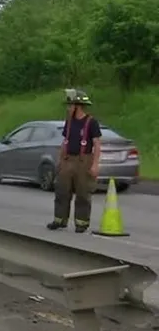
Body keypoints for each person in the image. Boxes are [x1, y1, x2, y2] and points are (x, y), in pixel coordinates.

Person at [48, 89, 102, 233]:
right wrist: (60, 161)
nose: (68, 108)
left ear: (77, 106)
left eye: (70, 105)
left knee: (83, 193)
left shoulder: (91, 122)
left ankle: (81, 223)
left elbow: (97, 144)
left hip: (83, 161)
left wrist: (95, 165)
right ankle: (59, 220)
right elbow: (65, 141)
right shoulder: (70, 122)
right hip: (68, 160)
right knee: (61, 190)